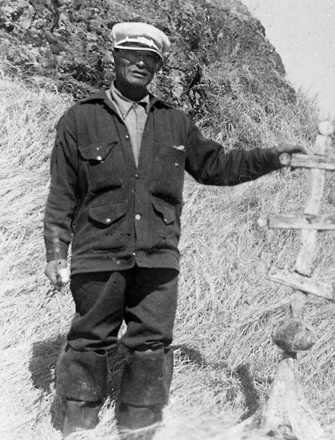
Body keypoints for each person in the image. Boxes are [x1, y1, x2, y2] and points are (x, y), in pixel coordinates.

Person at [43, 22, 304, 439]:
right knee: (90, 341)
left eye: (151, 59)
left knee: (151, 345)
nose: (140, 63)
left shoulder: (175, 123)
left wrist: (272, 157)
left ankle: (139, 431)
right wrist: (57, 251)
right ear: (113, 57)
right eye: (131, 54)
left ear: (158, 67)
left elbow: (218, 166)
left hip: (158, 256)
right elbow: (62, 193)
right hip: (97, 253)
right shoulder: (80, 119)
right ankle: (78, 429)